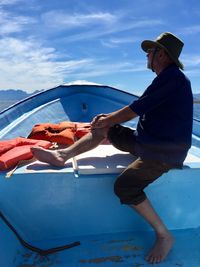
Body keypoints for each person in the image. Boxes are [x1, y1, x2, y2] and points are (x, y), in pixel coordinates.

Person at [31, 32, 193, 264]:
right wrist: (108, 122)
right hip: (146, 141)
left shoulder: (173, 78)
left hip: (163, 153)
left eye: (151, 51)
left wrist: (110, 119)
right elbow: (138, 109)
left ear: (163, 55)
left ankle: (164, 235)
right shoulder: (165, 79)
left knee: (125, 186)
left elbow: (135, 109)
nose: (147, 55)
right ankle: (61, 155)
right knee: (101, 130)